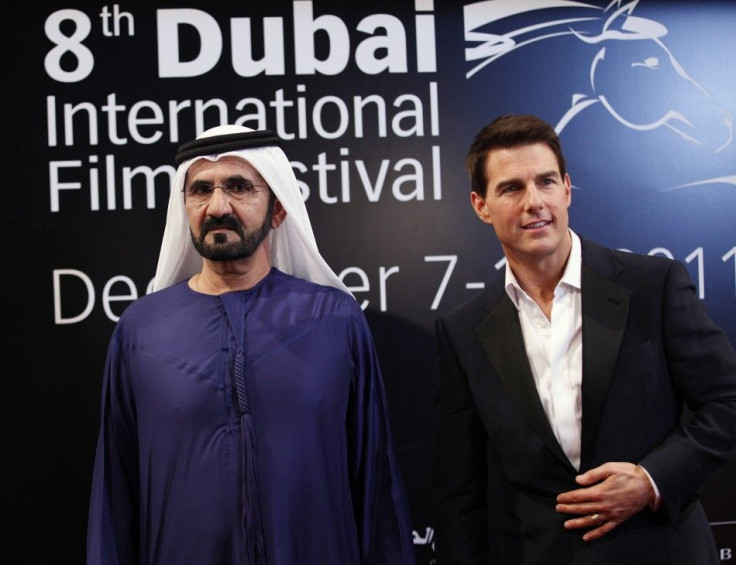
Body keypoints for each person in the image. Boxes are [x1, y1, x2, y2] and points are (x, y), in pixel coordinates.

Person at [86, 125, 416, 564]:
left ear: (278, 209)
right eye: (201, 190)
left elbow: (376, 488)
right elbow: (115, 496)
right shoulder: (141, 331)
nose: (218, 206)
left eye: (239, 187)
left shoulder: (334, 321)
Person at [431, 114, 736, 564]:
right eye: (512, 188)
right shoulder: (463, 331)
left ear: (567, 189)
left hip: (661, 549)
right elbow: (461, 489)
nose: (535, 201)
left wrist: (652, 479)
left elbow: (727, 402)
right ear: (481, 205)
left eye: (546, 181)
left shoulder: (653, 285)